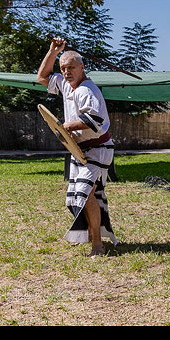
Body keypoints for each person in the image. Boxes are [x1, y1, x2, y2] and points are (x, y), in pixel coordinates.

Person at [36, 37, 117, 257]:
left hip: (97, 149)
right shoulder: (65, 84)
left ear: (82, 67)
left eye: (71, 67)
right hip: (78, 149)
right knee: (77, 197)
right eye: (63, 68)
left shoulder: (86, 90)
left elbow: (96, 121)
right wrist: (53, 51)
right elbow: (42, 76)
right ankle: (94, 236)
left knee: (84, 194)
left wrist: (68, 126)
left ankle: (97, 245)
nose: (66, 72)